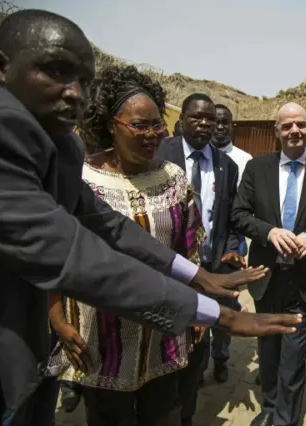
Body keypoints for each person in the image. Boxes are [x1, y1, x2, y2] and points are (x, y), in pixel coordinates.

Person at [0, 10, 302, 425]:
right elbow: (73, 254)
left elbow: (105, 225)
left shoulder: (59, 144)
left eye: (84, 81)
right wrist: (221, 314)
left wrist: (199, 277)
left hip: (33, 348)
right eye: (56, 71)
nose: (75, 93)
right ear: (2, 67)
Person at [46, 64, 207, 426]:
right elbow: (54, 255)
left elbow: (188, 250)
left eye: (157, 124)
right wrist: (56, 318)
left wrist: (198, 308)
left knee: (161, 414)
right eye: (140, 125)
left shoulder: (174, 179)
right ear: (110, 124)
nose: (153, 134)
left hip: (164, 332)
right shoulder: (82, 180)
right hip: (100, 339)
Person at [231, 102, 306, 426]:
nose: (295, 131)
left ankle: (286, 419)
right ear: (276, 131)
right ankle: (269, 408)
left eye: (301, 125)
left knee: (294, 357)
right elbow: (240, 214)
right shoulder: (256, 169)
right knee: (268, 350)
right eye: (287, 126)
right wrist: (269, 232)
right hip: (267, 277)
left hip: (304, 279)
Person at [156, 93, 244, 423]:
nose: (204, 124)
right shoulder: (161, 153)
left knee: (197, 346)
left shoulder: (227, 166)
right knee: (165, 341)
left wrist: (232, 250)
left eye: (210, 118)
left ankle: (187, 412)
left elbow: (230, 217)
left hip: (208, 270)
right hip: (166, 268)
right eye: (197, 117)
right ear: (182, 122)